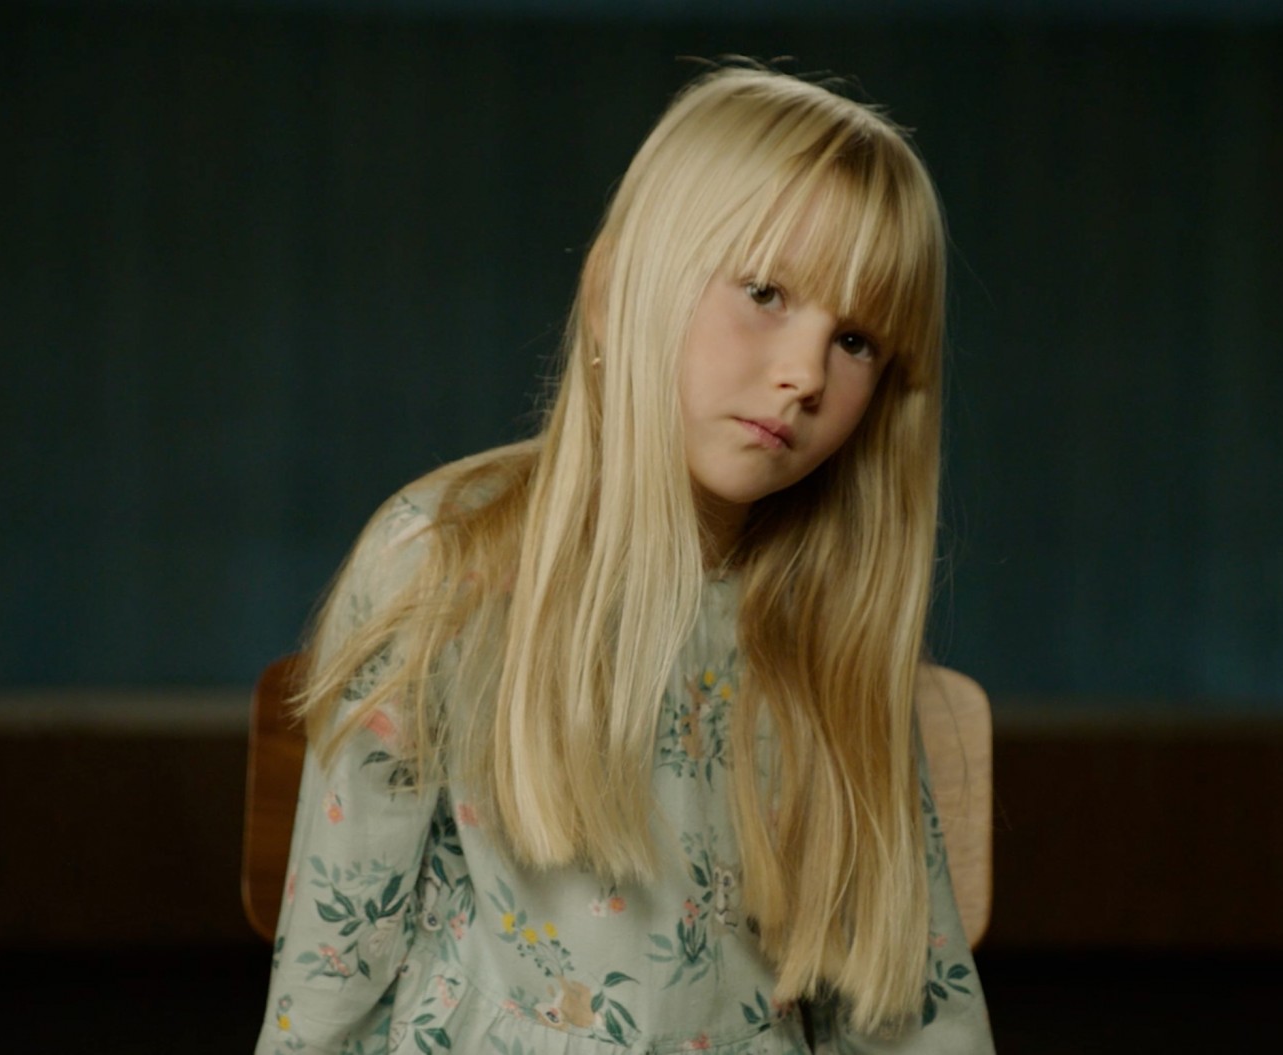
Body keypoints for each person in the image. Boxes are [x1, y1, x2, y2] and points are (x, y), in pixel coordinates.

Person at [257, 63, 994, 1054]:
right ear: (614, 295)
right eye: (765, 292)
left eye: (856, 339)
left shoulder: (828, 628)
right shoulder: (443, 565)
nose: (804, 374)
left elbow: (906, 1007)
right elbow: (330, 982)